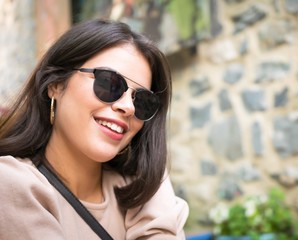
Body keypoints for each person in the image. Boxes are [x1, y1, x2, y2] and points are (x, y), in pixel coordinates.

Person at [0, 19, 189, 239]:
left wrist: (153, 179)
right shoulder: (13, 184)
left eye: (143, 101)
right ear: (56, 85)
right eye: (109, 83)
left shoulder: (142, 186)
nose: (128, 107)